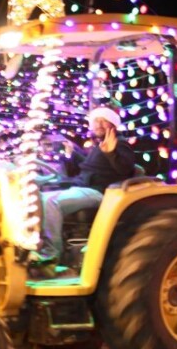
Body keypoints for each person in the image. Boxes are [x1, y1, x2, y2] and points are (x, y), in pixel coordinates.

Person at [32, 105, 136, 276]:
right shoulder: (100, 145)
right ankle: (34, 247)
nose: (99, 124)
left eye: (104, 120)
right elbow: (89, 166)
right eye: (96, 121)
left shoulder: (120, 144)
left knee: (51, 201)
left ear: (113, 124)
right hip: (84, 186)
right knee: (37, 197)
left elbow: (125, 168)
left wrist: (111, 153)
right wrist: (73, 153)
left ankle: (50, 256)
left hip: (98, 192)